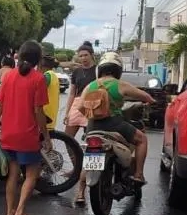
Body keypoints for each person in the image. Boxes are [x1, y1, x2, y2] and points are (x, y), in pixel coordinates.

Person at [0, 40, 51, 215]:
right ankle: (20, 212)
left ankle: (9, 214)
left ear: (20, 55)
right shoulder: (38, 79)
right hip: (27, 135)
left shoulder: (8, 77)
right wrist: (46, 136)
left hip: (8, 134)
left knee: (13, 175)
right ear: (38, 59)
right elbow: (39, 112)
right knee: (32, 174)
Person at [82, 52, 155, 182]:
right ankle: (138, 174)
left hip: (92, 126)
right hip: (114, 124)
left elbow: (80, 107)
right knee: (142, 139)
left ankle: (80, 191)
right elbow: (146, 97)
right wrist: (151, 101)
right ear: (118, 70)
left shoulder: (90, 86)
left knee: (90, 156)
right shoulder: (120, 84)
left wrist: (93, 115)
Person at [64, 43, 98, 206]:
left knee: (93, 144)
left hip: (92, 105)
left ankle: (83, 186)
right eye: (81, 55)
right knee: (67, 139)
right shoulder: (76, 72)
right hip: (77, 105)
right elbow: (72, 93)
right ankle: (77, 167)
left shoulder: (98, 71)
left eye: (86, 55)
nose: (83, 58)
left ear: (92, 55)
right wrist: (67, 112)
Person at [41, 55, 61, 132]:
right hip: (51, 113)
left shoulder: (47, 76)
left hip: (45, 114)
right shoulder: (53, 75)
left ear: (41, 66)